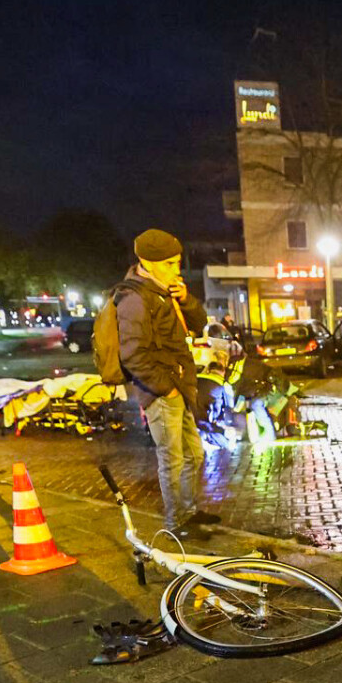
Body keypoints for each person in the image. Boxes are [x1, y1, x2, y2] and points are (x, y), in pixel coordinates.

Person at [115, 228, 215, 535]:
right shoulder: (134, 298)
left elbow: (199, 324)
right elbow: (132, 354)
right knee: (171, 459)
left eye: (177, 262)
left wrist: (185, 300)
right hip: (161, 392)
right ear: (148, 262)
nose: (176, 269)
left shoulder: (165, 293)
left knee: (194, 454)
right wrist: (165, 387)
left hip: (179, 386)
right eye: (170, 263)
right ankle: (176, 522)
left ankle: (191, 511)